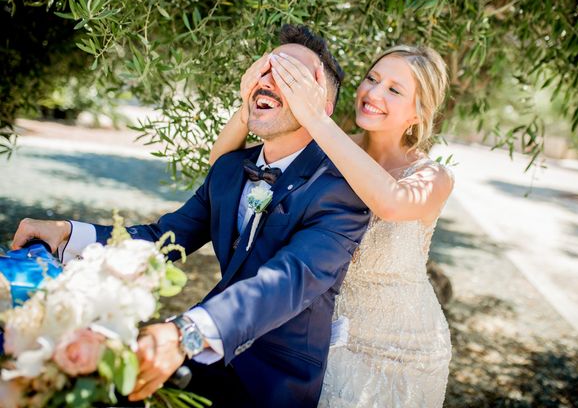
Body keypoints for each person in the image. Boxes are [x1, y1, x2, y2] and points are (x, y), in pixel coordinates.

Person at [10, 25, 371, 408]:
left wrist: (185, 333)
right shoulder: (230, 169)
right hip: (198, 362)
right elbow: (163, 237)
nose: (269, 81)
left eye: (291, 77)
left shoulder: (341, 191)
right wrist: (68, 233)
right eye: (264, 70)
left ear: (322, 108)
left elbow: (285, 283)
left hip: (269, 384)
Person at [209, 43, 455, 407]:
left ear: (418, 114)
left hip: (403, 352)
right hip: (321, 338)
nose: (372, 93)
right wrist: (250, 102)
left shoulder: (433, 177)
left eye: (394, 89)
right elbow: (222, 168)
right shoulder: (326, 145)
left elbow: (390, 203)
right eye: (372, 78)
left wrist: (316, 119)